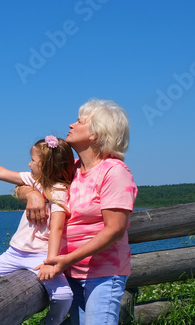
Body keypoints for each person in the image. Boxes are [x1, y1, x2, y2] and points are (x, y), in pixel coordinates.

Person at [20, 99, 136, 325]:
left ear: (96, 133)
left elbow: (114, 229)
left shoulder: (114, 172)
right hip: (71, 272)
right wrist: (32, 195)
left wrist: (66, 260)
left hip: (103, 273)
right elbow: (23, 182)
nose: (71, 125)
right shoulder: (70, 169)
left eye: (80, 121)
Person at [0, 135, 75, 325]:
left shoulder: (59, 190)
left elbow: (57, 227)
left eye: (32, 160)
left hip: (41, 257)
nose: (28, 164)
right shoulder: (34, 180)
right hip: (15, 253)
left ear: (45, 165)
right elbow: (1, 172)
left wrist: (51, 261)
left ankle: (51, 322)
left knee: (63, 296)